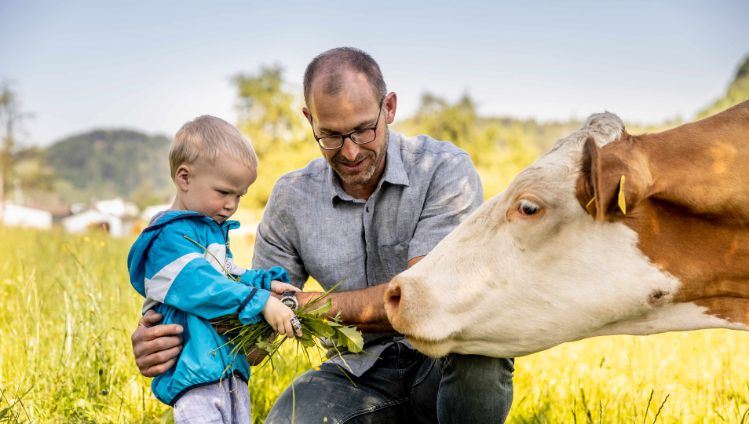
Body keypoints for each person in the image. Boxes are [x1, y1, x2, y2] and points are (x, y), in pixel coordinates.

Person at [132, 48, 514, 423]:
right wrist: (176, 335)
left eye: (364, 130)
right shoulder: (291, 198)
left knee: (481, 356)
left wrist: (300, 305)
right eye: (330, 135)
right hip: (356, 374)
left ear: (390, 108)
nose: (349, 152)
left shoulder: (443, 170)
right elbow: (254, 336)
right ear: (309, 120)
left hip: (442, 362)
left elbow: (424, 300)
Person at [127, 115, 301, 423]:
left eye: (239, 196)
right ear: (184, 178)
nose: (231, 205)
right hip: (195, 373)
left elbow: (229, 276)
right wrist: (259, 302)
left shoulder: (209, 233)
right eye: (223, 192)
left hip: (227, 369)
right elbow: (203, 284)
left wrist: (265, 285)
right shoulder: (168, 241)